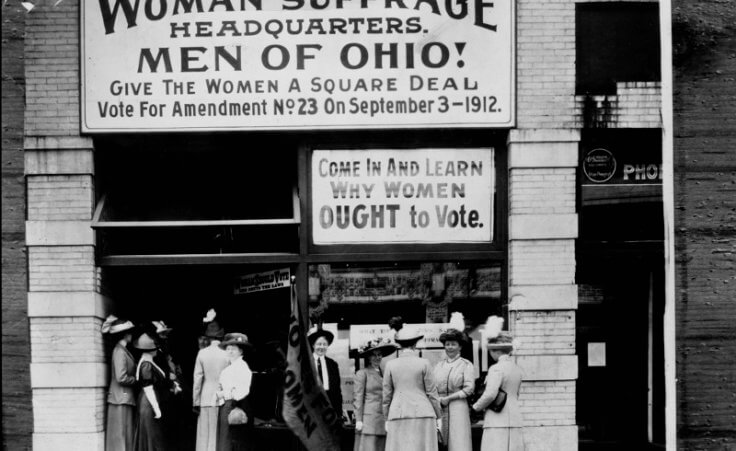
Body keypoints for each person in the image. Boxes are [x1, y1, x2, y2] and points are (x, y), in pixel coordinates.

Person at [382, 319, 442, 451]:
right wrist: (439, 416)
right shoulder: (424, 363)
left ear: (399, 345)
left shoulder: (390, 365)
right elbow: (432, 393)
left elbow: (386, 396)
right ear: (415, 344)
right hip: (423, 412)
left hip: (398, 413)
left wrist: (386, 417)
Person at [472, 317, 524, 451]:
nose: (490, 354)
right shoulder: (516, 368)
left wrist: (475, 408)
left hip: (497, 418)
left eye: (491, 351)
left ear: (497, 351)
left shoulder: (496, 368)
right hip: (514, 417)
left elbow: (490, 395)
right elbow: (516, 394)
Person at [433, 328, 475, 451]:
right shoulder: (438, 366)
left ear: (460, 347)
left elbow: (469, 389)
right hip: (440, 407)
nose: (450, 347)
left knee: (458, 440)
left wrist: (448, 398)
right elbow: (432, 387)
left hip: (458, 407)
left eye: (453, 344)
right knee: (440, 441)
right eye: (447, 344)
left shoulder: (466, 364)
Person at [193, 311, 229, 451]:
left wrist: (195, 402)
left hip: (205, 398)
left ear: (208, 336)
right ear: (220, 335)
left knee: (203, 435)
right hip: (220, 398)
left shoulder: (201, 353)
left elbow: (197, 380)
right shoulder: (227, 354)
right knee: (216, 434)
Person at [353, 337, 397, 451]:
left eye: (380, 355)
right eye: (374, 355)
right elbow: (358, 398)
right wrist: (358, 420)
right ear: (368, 357)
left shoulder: (386, 373)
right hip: (369, 421)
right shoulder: (362, 373)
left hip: (383, 419)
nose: (378, 358)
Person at [102, 315, 137, 451]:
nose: (131, 335)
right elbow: (121, 377)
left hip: (123, 397)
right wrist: (136, 379)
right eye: (129, 332)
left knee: (123, 433)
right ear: (124, 334)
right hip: (120, 397)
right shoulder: (119, 352)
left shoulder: (122, 350)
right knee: (120, 434)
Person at [216, 333, 254, 451]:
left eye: (234, 349)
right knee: (225, 441)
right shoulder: (228, 369)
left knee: (233, 442)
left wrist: (225, 393)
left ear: (241, 351)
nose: (230, 351)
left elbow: (242, 390)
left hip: (236, 405)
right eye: (228, 349)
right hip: (226, 406)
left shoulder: (242, 367)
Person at [134, 332, 170, 451]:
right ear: (150, 350)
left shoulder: (147, 362)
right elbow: (148, 388)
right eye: (155, 348)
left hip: (148, 401)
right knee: (152, 434)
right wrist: (156, 408)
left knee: (151, 434)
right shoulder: (146, 365)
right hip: (148, 402)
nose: (157, 350)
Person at [308, 325, 343, 419]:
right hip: (311, 407)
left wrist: (339, 414)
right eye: (319, 344)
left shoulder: (332, 364)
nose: (322, 347)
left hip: (329, 408)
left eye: (324, 344)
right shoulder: (305, 364)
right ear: (313, 345)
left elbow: (337, 392)